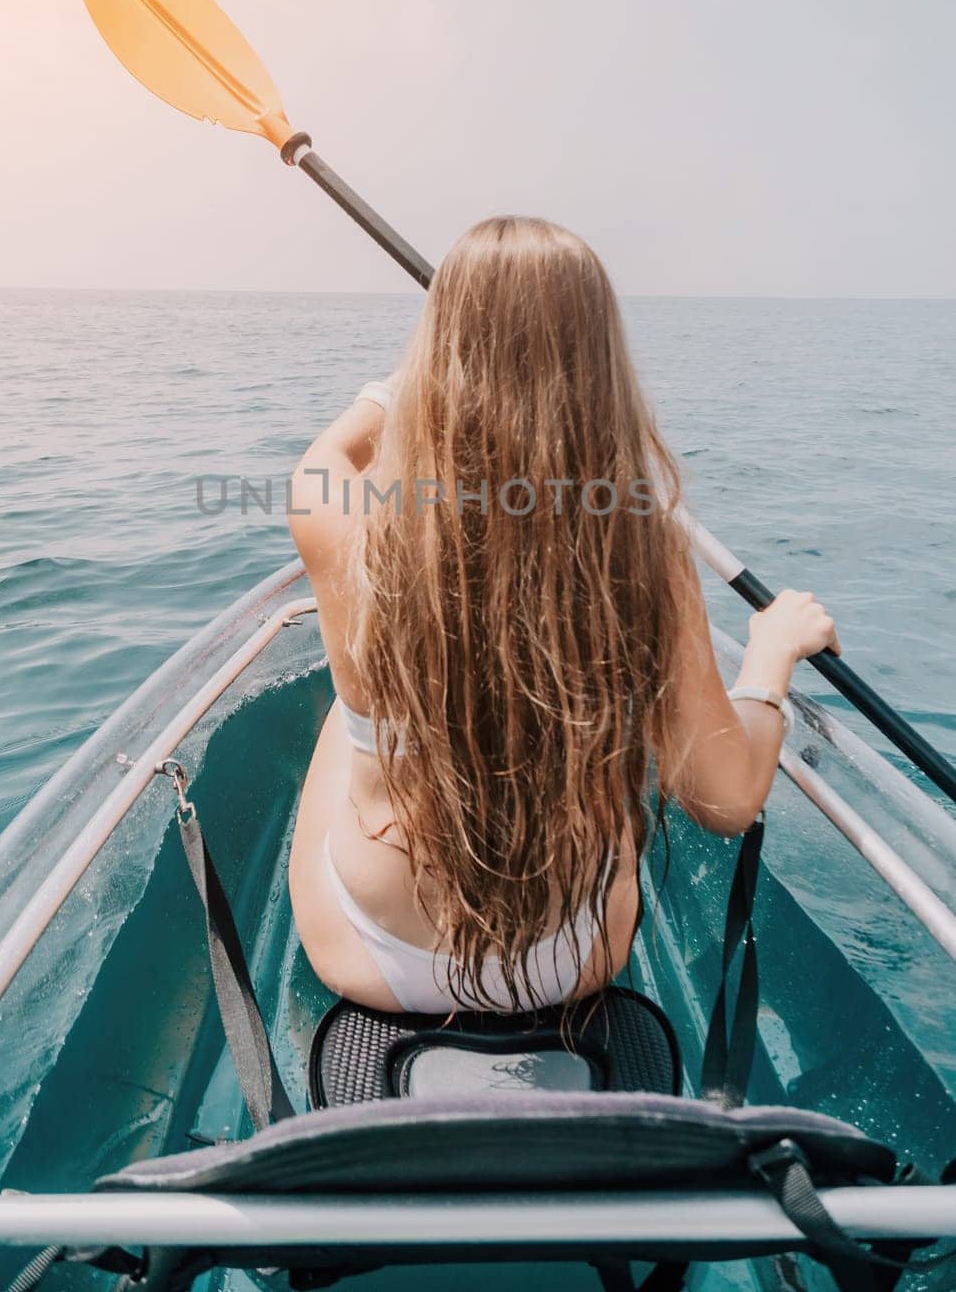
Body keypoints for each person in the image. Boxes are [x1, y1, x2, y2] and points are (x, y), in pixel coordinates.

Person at [288, 216, 838, 1015]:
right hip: (569, 960)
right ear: (600, 370)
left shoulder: (339, 523)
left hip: (367, 956)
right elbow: (722, 801)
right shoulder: (644, 551)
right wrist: (770, 655)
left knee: (349, 720)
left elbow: (328, 454)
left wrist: (399, 388)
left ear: (435, 357)